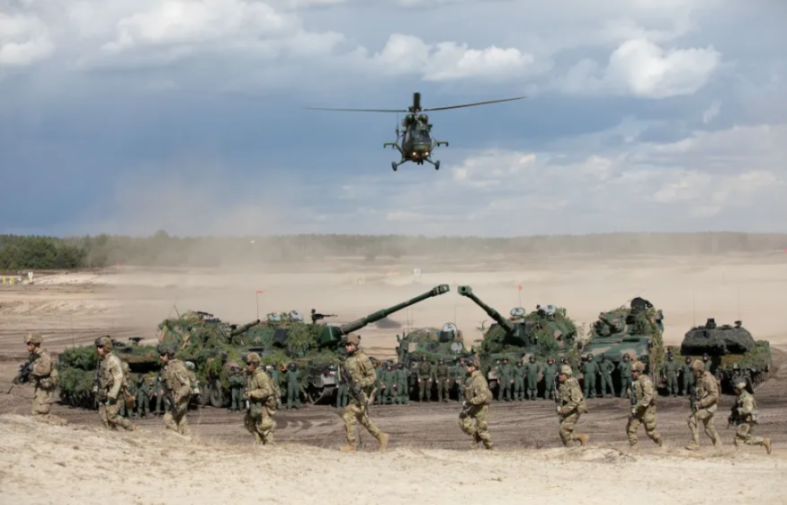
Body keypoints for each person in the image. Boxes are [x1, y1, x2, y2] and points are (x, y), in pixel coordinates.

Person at [339, 334, 389, 452]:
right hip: (353, 394)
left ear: (355, 345)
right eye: (346, 345)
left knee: (348, 414)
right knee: (364, 420)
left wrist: (361, 384)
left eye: (349, 345)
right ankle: (381, 437)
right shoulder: (347, 359)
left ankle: (351, 445)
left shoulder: (362, 358)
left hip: (362, 394)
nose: (347, 347)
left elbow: (372, 376)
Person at [95, 336, 136, 431]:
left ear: (106, 347)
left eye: (100, 347)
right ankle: (113, 433)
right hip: (104, 393)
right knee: (103, 417)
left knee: (111, 416)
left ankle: (130, 427)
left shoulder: (113, 360)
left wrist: (112, 394)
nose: (98, 349)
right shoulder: (101, 360)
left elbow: (118, 378)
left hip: (115, 394)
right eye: (97, 347)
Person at [22, 332, 60, 420]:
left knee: (41, 411)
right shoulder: (35, 355)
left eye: (28, 344)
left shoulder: (43, 355)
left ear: (34, 344)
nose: (27, 346)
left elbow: (45, 370)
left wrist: (32, 369)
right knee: (36, 410)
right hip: (40, 386)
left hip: (46, 387)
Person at [458, 356, 493, 450]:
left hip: (481, 407)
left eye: (469, 365)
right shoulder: (471, 379)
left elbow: (483, 396)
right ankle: (476, 436)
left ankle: (490, 448)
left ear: (474, 367)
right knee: (462, 418)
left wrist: (470, 401)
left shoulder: (479, 379)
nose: (467, 367)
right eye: (467, 365)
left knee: (482, 429)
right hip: (474, 405)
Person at [157, 344, 192, 436]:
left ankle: (178, 438)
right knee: (181, 420)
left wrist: (178, 397)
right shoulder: (168, 367)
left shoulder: (178, 367)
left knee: (167, 419)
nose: (161, 357)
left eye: (163, 355)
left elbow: (186, 386)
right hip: (175, 398)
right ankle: (188, 439)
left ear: (168, 355)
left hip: (180, 399)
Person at [627, 361, 663, 449]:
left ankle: (660, 443)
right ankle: (634, 447)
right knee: (631, 429)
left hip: (647, 410)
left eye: (634, 371)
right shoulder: (634, 381)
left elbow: (648, 397)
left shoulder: (645, 381)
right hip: (637, 410)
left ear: (639, 371)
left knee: (650, 432)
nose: (633, 373)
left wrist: (637, 406)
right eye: (632, 371)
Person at [686, 359, 720, 450]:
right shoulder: (700, 378)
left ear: (699, 371)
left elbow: (714, 395)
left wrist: (702, 402)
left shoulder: (707, 379)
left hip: (709, 407)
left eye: (695, 371)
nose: (693, 373)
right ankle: (719, 448)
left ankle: (696, 444)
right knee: (709, 428)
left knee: (692, 420)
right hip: (705, 406)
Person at [730, 378, 771, 454]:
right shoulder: (741, 396)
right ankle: (764, 441)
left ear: (738, 389)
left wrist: (738, 410)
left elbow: (747, 410)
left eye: (734, 388)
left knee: (739, 438)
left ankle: (739, 454)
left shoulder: (746, 398)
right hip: (746, 420)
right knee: (747, 439)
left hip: (747, 420)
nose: (734, 390)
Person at [244, 352, 276, 445]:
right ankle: (259, 443)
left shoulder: (260, 375)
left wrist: (252, 393)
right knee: (249, 423)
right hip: (256, 405)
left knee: (265, 427)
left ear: (255, 363)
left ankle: (271, 446)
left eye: (249, 363)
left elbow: (266, 391)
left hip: (262, 405)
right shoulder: (253, 374)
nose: (247, 366)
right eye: (247, 363)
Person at [556, 365, 588, 447]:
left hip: (576, 409)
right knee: (566, 427)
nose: (559, 376)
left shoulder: (572, 385)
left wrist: (563, 410)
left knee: (564, 429)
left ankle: (571, 448)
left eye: (561, 374)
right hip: (570, 408)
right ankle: (581, 438)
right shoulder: (563, 384)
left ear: (567, 375)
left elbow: (575, 401)